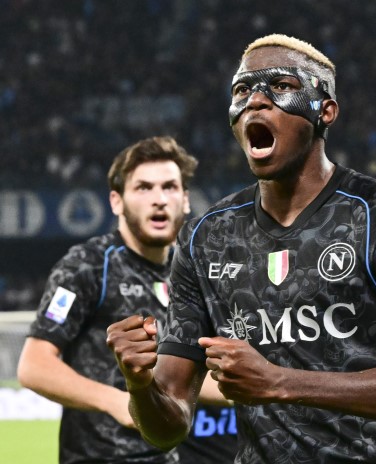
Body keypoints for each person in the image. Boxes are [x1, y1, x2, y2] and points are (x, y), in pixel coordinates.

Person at [106, 34, 376, 463]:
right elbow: (168, 428)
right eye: (242, 90)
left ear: (325, 110)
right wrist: (140, 386)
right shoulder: (207, 236)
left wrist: (279, 382)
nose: (256, 100)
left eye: (281, 86)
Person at [17, 136, 238, 463]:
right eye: (143, 188)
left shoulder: (190, 273)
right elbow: (34, 366)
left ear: (185, 200)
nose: (159, 199)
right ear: (116, 201)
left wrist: (250, 389)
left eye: (169, 187)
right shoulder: (89, 265)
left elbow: (179, 377)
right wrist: (115, 401)